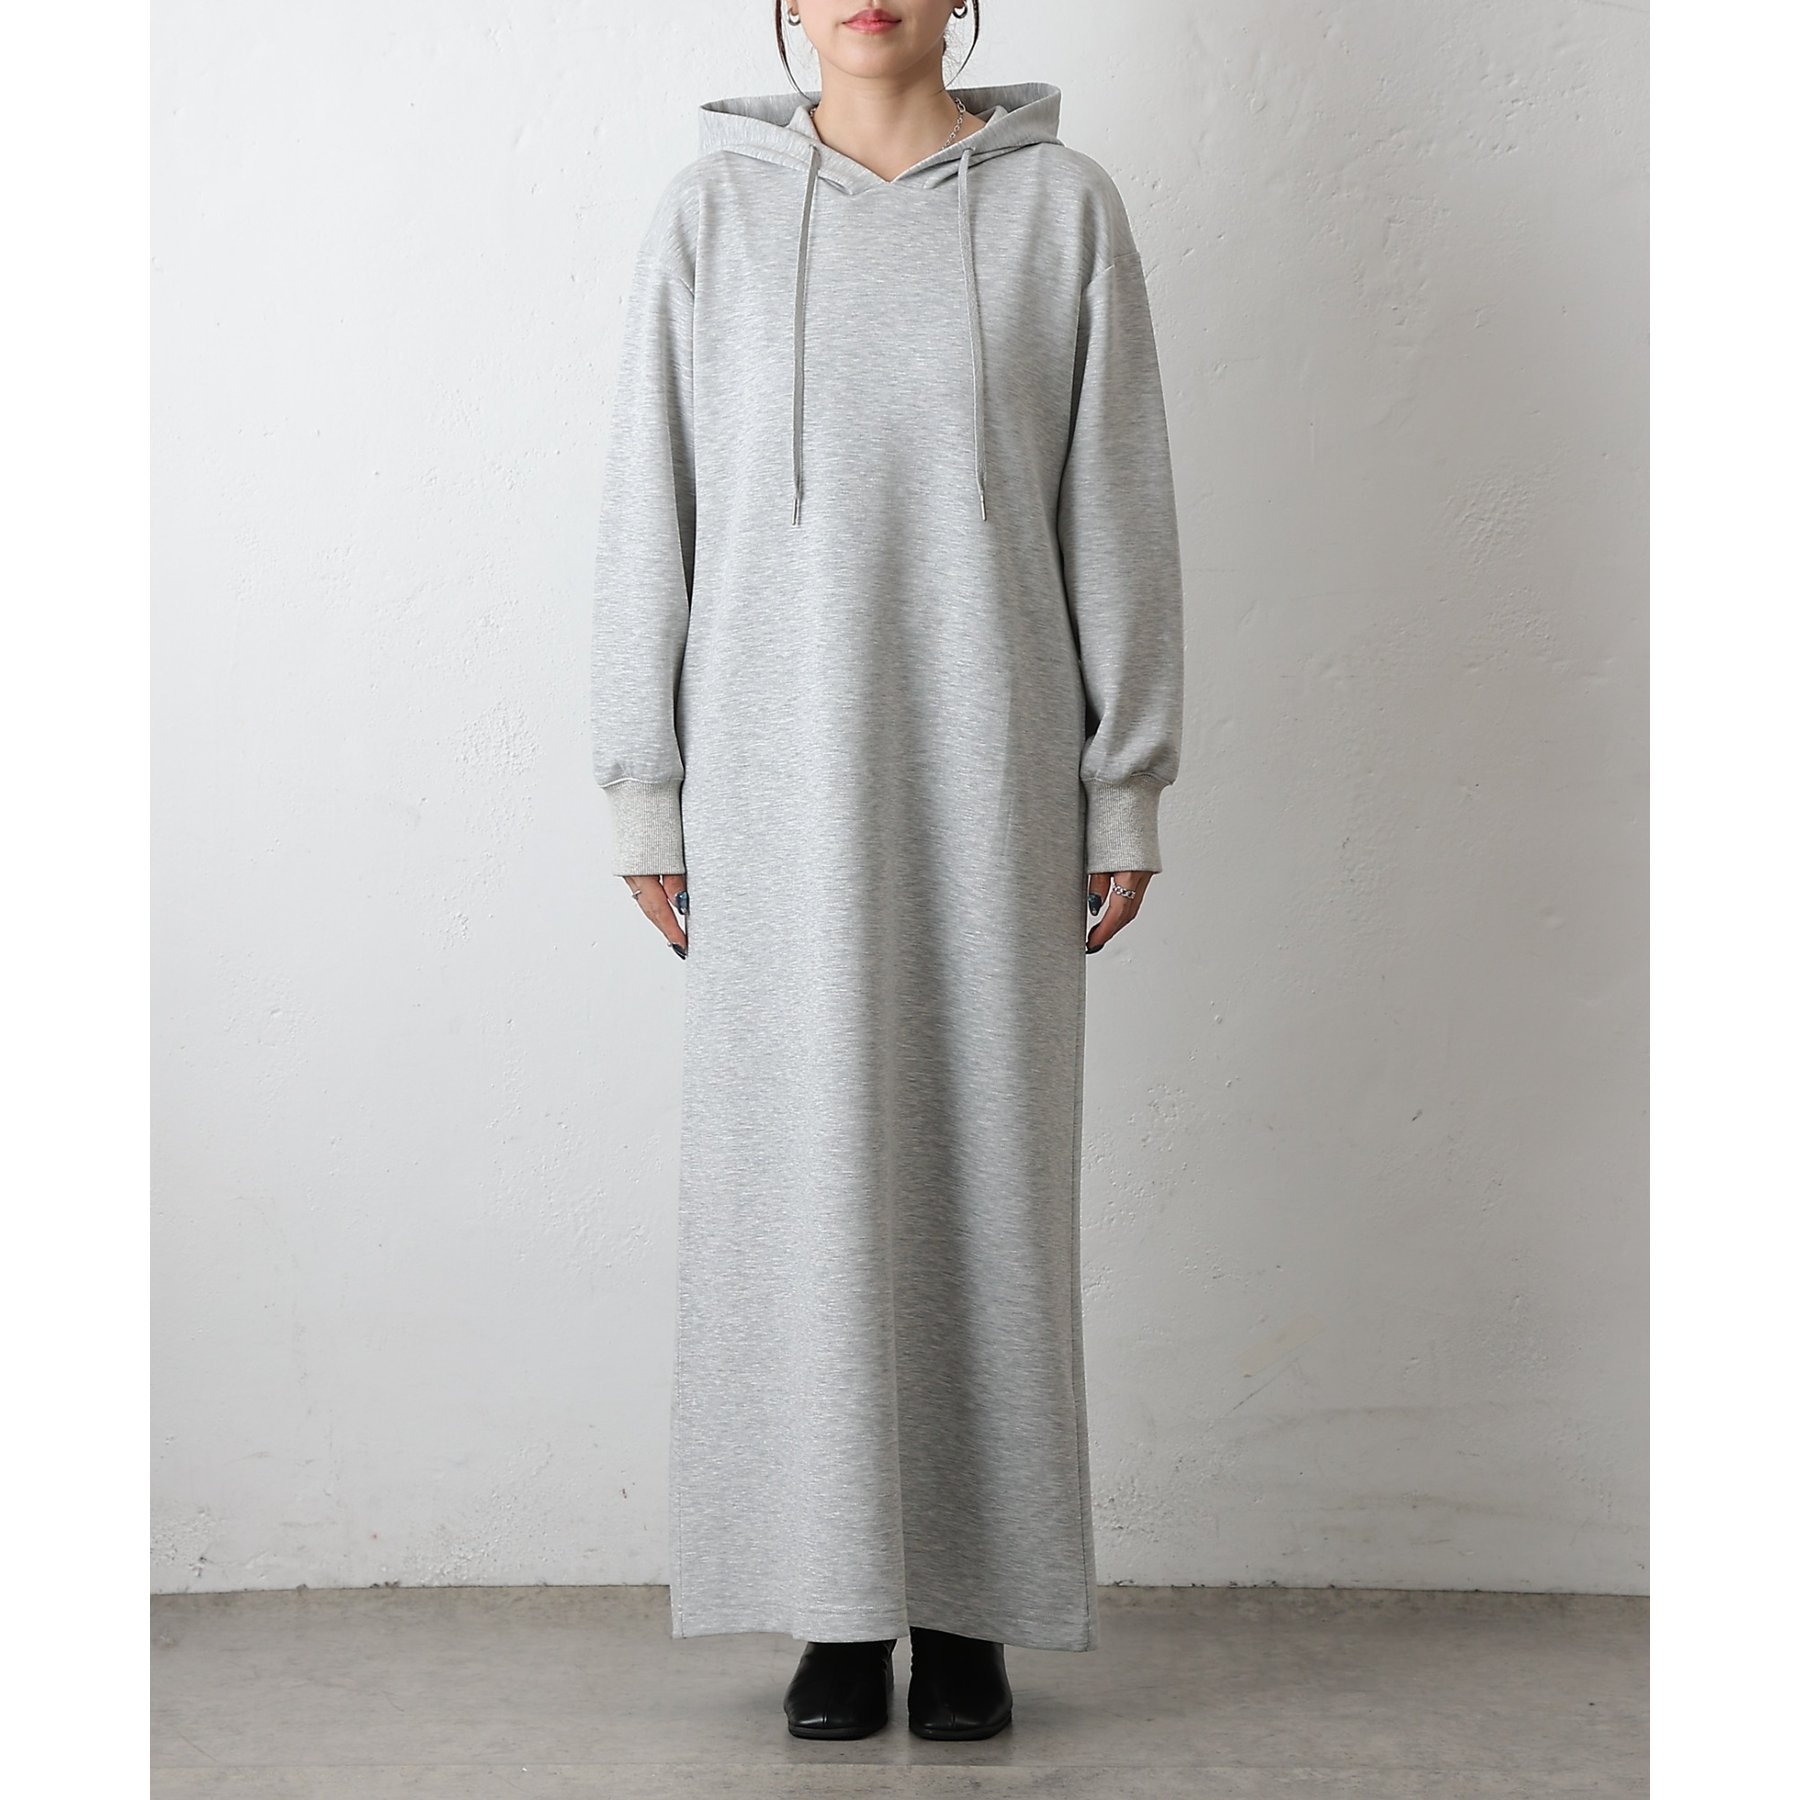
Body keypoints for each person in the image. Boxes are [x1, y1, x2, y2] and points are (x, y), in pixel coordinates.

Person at [589, 0, 1186, 1744]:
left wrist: (1125, 785)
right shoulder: (708, 218)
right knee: (794, 1196)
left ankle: (974, 1607)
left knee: (988, 1183)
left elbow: (1119, 506)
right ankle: (835, 1608)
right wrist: (645, 788)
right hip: (770, 791)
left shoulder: (1061, 209)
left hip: (992, 774)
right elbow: (647, 507)